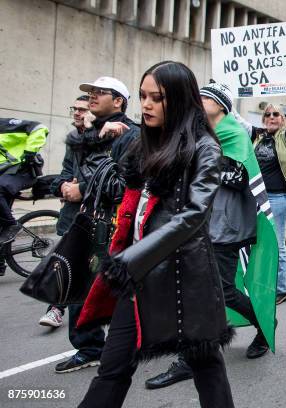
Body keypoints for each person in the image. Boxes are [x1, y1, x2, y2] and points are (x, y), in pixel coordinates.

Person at [76, 61, 234, 408]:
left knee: (206, 366)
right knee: (112, 369)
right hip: (136, 280)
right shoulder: (143, 143)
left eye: (156, 98)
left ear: (178, 100)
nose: (146, 104)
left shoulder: (205, 148)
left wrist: (130, 261)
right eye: (143, 96)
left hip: (185, 279)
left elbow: (193, 215)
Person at [144, 81, 271, 390]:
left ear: (221, 107)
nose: (198, 101)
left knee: (221, 292)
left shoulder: (234, 135)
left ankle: (263, 325)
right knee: (192, 292)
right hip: (193, 226)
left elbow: (240, 177)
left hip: (224, 229)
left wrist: (203, 169)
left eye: (206, 98)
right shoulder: (194, 136)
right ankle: (191, 355)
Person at [50, 77, 140, 374]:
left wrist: (84, 188)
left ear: (119, 101)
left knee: (120, 286)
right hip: (82, 219)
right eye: (90, 92)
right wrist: (63, 185)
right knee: (80, 285)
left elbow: (128, 179)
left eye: (100, 93)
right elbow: (67, 170)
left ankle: (129, 340)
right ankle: (90, 347)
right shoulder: (84, 133)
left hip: (112, 225)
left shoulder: (129, 134)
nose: (92, 97)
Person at [234, 70, 286, 304]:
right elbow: (235, 118)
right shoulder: (257, 136)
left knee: (277, 244)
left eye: (276, 114)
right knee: (256, 245)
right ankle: (260, 284)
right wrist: (223, 93)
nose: (273, 117)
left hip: (277, 199)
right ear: (264, 119)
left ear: (282, 119)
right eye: (268, 114)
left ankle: (281, 289)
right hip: (255, 199)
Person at [39, 95, 91, 329]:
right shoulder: (73, 141)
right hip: (72, 216)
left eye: (82, 109)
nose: (77, 113)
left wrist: (81, 187)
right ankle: (56, 308)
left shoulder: (106, 138)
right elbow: (63, 174)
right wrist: (64, 186)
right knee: (67, 265)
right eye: (75, 109)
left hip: (96, 217)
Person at [0, 118, 48, 247]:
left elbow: (39, 127)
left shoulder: (6, 125)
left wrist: (29, 153)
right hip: (4, 175)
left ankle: (11, 225)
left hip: (22, 171)